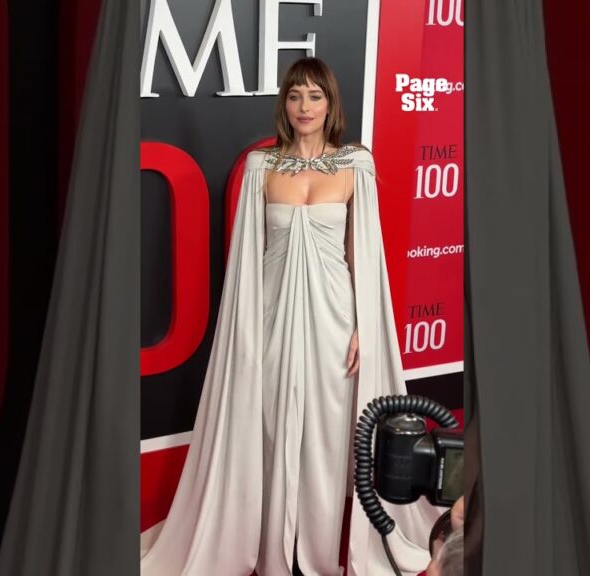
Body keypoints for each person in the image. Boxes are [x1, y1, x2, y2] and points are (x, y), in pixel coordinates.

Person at [140, 57, 442, 575]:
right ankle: (273, 555)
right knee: (273, 433)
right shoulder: (263, 167)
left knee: (328, 439)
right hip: (273, 317)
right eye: (296, 95)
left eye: (315, 96)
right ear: (285, 103)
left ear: (330, 104)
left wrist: (363, 326)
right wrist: (247, 328)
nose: (305, 106)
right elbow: (246, 261)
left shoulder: (355, 164)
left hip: (334, 322)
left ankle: (320, 559)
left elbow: (364, 256)